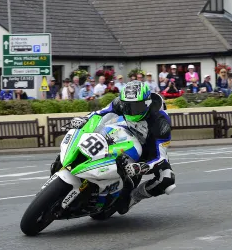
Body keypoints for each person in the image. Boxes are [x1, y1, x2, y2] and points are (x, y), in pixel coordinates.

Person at [69, 81, 176, 214]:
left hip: (149, 148)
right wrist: (84, 120)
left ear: (147, 104)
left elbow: (161, 157)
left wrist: (143, 166)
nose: (131, 111)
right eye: (128, 106)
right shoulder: (121, 102)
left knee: (167, 180)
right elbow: (99, 113)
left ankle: (134, 196)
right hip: (124, 133)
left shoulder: (161, 122)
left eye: (136, 107)